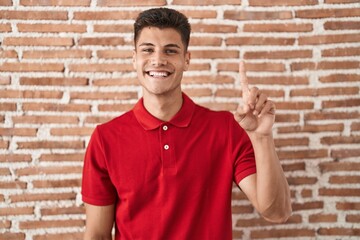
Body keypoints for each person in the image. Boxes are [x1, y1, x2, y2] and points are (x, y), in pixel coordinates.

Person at [81, 7, 292, 240]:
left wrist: (261, 137)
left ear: (186, 60)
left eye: (170, 51)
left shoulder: (226, 129)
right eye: (147, 50)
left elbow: (276, 213)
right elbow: (98, 235)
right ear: (134, 59)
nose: (158, 60)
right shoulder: (105, 138)